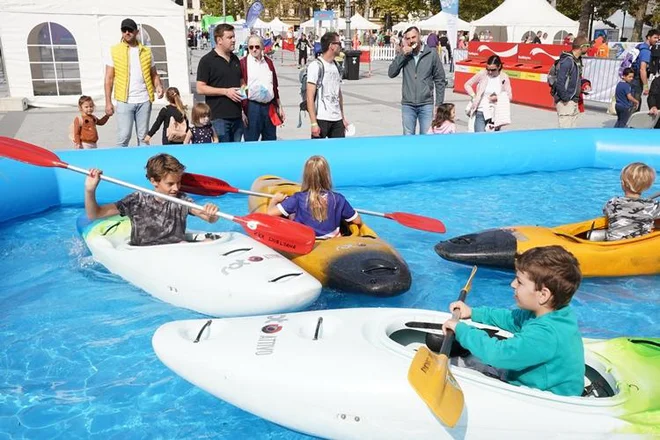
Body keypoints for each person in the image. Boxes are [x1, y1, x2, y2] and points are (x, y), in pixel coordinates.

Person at [442, 245, 585, 397]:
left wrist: (461, 330)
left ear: (543, 295)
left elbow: (499, 354)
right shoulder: (554, 313)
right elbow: (511, 318)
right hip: (530, 379)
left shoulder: (545, 334)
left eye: (519, 282)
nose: (512, 284)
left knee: (460, 370)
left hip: (545, 399)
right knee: (470, 359)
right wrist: (473, 312)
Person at [84, 154, 219, 247]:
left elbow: (209, 218)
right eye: (170, 184)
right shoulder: (137, 200)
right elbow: (95, 214)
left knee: (208, 241)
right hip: (145, 254)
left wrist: (211, 213)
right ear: (154, 181)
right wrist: (90, 190)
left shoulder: (181, 199)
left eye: (178, 182)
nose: (176, 188)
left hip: (178, 251)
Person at [266, 155, 362, 239]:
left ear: (306, 176)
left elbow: (269, 214)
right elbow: (357, 220)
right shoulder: (338, 199)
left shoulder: (297, 198)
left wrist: (274, 200)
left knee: (292, 215)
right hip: (332, 242)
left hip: (305, 241)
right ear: (327, 176)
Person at [105, 18, 164, 147]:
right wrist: (108, 102)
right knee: (124, 136)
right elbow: (108, 78)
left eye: (130, 30)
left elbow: (154, 74)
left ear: (136, 32)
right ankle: (121, 165)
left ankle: (144, 165)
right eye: (124, 30)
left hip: (144, 99)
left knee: (143, 138)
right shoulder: (114, 51)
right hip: (124, 100)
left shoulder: (146, 51)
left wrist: (158, 85)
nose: (127, 32)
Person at [388, 26, 446, 135]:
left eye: (413, 37)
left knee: (426, 137)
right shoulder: (405, 55)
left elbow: (440, 79)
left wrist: (439, 104)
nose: (411, 41)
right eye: (408, 38)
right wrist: (402, 55)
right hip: (408, 104)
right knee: (408, 138)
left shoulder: (431, 54)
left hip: (426, 104)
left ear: (419, 36)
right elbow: (391, 73)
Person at [196, 24, 246, 143]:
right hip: (219, 118)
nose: (234, 40)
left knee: (236, 154)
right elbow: (200, 88)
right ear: (219, 40)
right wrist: (225, 92)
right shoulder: (207, 61)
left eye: (234, 37)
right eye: (230, 37)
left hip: (237, 117)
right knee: (223, 155)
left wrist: (245, 95)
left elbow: (241, 82)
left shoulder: (235, 59)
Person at [240, 36, 284, 142]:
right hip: (252, 107)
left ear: (262, 47)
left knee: (270, 140)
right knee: (251, 141)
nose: (254, 49)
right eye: (251, 47)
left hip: (269, 107)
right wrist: (242, 110)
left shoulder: (268, 63)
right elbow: (241, 87)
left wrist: (279, 106)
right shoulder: (243, 63)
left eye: (257, 47)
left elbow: (274, 86)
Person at [306, 32, 350, 139]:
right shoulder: (315, 66)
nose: (341, 46)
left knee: (338, 152)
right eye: (339, 43)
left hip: (337, 119)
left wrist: (343, 117)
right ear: (331, 46)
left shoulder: (336, 66)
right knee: (318, 153)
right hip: (321, 118)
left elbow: (338, 93)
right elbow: (309, 96)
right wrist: (313, 123)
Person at [602, 163, 660, 241]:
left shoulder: (612, 202)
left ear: (622, 183)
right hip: (637, 245)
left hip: (613, 243)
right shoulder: (652, 206)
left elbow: (605, 212)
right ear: (648, 186)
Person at [464, 55, 512, 133]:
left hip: (495, 113)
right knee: (479, 137)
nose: (490, 72)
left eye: (493, 70)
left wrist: (497, 98)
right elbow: (467, 84)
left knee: (493, 138)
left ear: (499, 66)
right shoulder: (483, 73)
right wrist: (474, 96)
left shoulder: (504, 77)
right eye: (488, 69)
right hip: (481, 110)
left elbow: (509, 96)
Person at [553, 36, 590, 129]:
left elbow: (576, 78)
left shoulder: (577, 60)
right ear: (581, 47)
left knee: (571, 133)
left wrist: (585, 84)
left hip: (573, 101)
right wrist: (565, 98)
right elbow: (559, 82)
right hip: (566, 101)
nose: (588, 48)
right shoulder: (567, 61)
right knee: (565, 133)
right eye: (587, 46)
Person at [631, 29, 660, 108]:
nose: (656, 40)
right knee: (635, 103)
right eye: (655, 38)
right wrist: (646, 86)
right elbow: (642, 69)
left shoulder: (640, 46)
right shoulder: (646, 51)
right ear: (648, 37)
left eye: (658, 38)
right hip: (637, 79)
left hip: (632, 77)